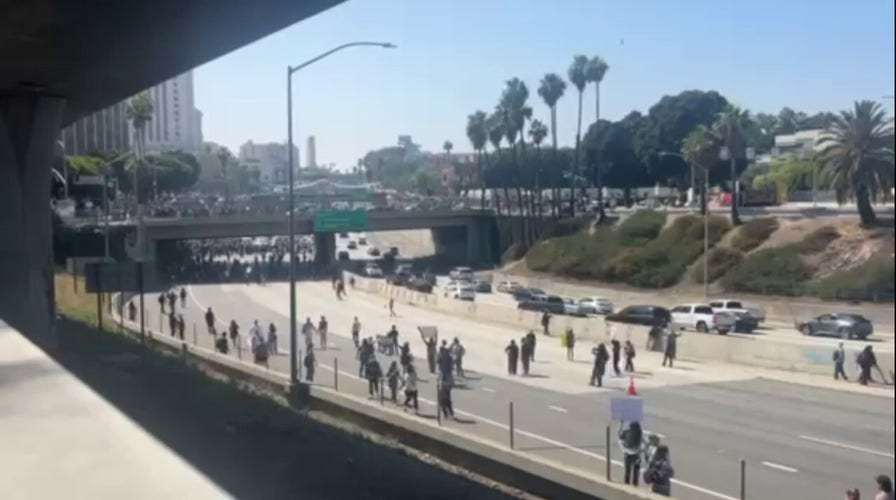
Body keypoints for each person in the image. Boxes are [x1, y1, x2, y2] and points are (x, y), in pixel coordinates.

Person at [618, 421, 644, 486]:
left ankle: (627, 485)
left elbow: (619, 435)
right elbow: (641, 443)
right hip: (637, 455)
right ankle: (635, 485)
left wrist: (621, 425)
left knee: (627, 471)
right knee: (636, 473)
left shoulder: (626, 432)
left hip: (628, 454)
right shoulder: (639, 433)